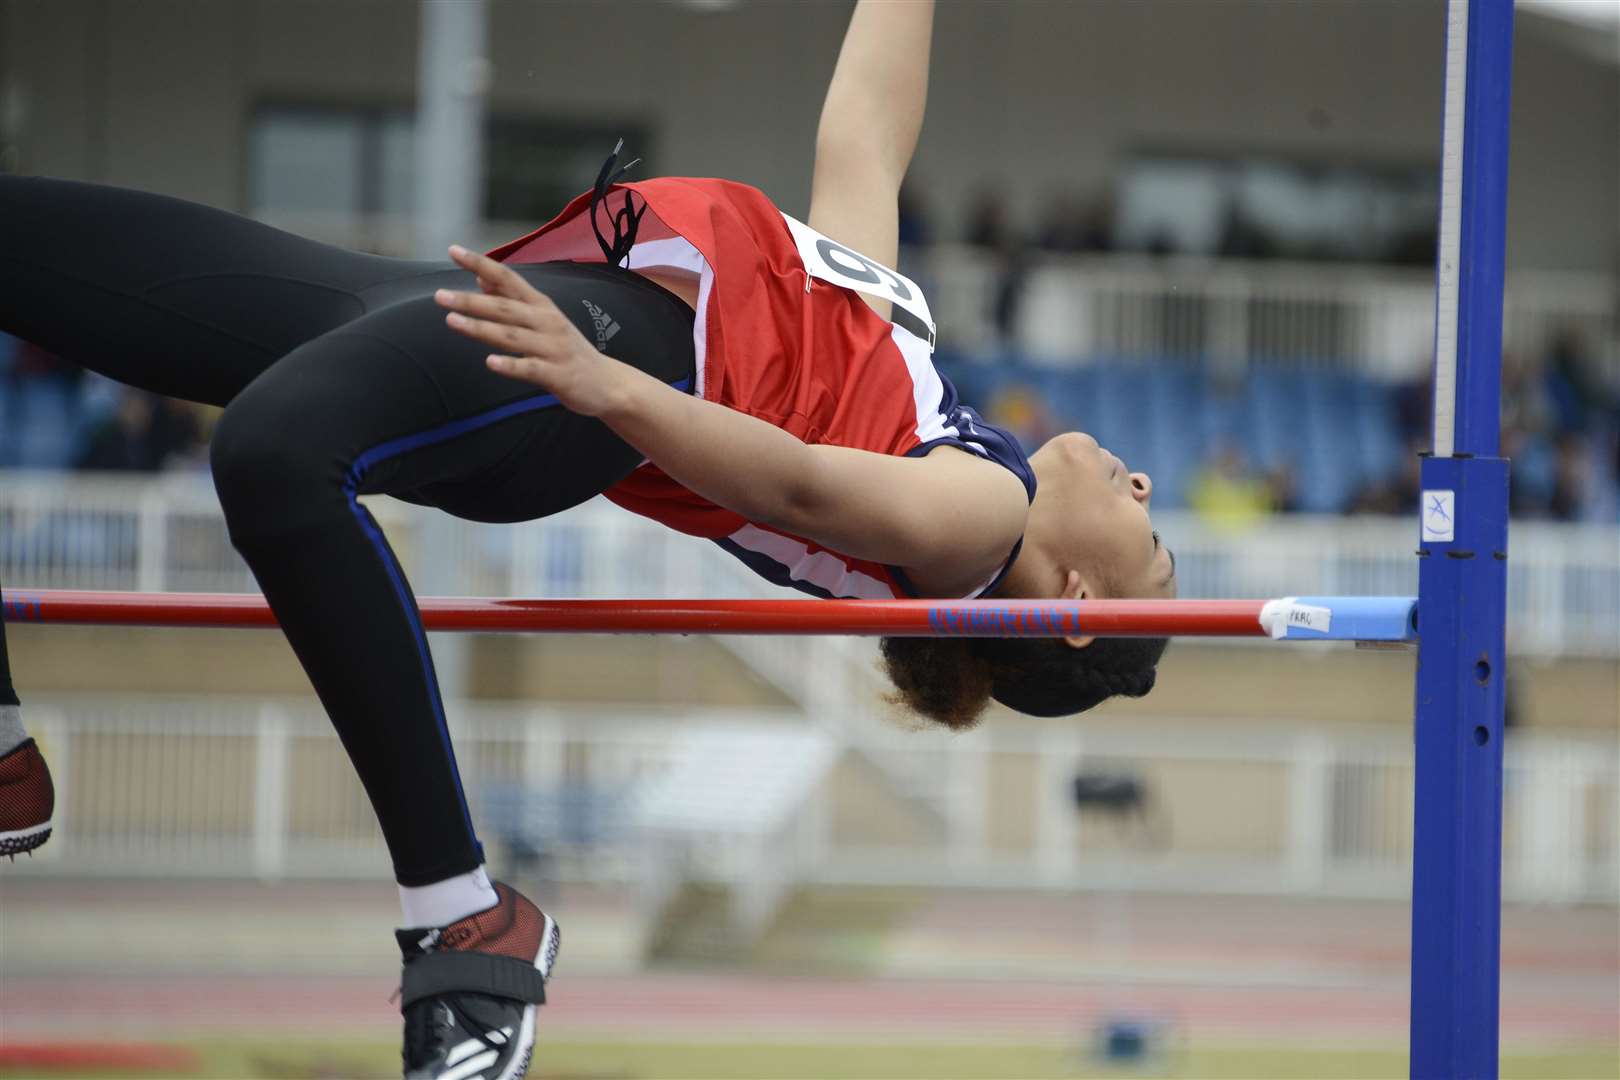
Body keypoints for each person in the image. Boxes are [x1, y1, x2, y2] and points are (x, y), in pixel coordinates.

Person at [0, 3, 1173, 1075]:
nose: (1146, 481)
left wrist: (604, 384)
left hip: (595, 360)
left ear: (1070, 598)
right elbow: (864, 137)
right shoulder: (918, 388)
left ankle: (463, 917)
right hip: (534, 309)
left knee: (270, 454)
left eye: (1152, 538)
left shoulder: (981, 520)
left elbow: (808, 488)